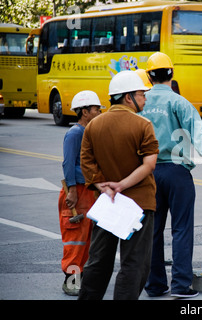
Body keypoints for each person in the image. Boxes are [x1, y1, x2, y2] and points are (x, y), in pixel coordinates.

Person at [140, 52, 202, 299]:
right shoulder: (180, 103)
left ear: (149, 76)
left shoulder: (140, 102)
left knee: (152, 231)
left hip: (148, 174)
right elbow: (199, 134)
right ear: (171, 74)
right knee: (181, 230)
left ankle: (155, 285)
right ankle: (180, 286)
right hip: (178, 173)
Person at [78, 70, 159, 300]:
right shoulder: (143, 125)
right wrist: (122, 185)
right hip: (139, 205)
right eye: (142, 94)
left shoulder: (93, 126)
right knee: (134, 264)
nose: (145, 98)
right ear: (128, 97)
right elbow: (149, 164)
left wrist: (103, 186)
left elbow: (87, 161)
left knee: (98, 261)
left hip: (108, 203)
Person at [58, 90, 103, 296]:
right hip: (77, 192)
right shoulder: (75, 133)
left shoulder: (90, 131)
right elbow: (68, 163)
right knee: (76, 239)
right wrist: (73, 191)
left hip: (89, 192)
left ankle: (82, 276)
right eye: (96, 109)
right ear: (84, 111)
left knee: (87, 238)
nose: (99, 111)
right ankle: (72, 279)